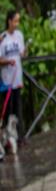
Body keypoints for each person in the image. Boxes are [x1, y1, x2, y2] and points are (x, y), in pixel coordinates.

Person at [0, 10, 26, 158]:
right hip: (6, 80)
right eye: (15, 21)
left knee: (17, 110)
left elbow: (21, 53)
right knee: (7, 110)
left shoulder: (19, 36)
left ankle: (18, 137)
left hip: (17, 79)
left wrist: (24, 53)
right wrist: (7, 61)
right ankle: (7, 141)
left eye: (18, 21)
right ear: (9, 21)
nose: (17, 24)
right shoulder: (2, 38)